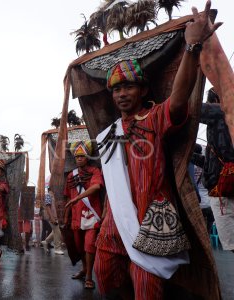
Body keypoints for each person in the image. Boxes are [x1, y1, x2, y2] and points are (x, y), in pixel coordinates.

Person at [93, 3, 221, 298]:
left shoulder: (154, 118)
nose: (122, 94)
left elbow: (179, 98)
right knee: (105, 277)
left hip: (151, 219)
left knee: (147, 288)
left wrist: (192, 47)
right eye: (116, 89)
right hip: (114, 221)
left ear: (144, 90)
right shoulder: (109, 133)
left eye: (129, 87)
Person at [64, 140, 103, 290]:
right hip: (75, 216)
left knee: (89, 246)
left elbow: (96, 186)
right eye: (77, 156)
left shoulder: (94, 171)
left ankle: (89, 277)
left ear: (88, 157)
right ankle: (85, 269)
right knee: (80, 247)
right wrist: (66, 216)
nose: (79, 158)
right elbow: (68, 197)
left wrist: (78, 198)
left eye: (82, 156)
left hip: (91, 215)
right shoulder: (70, 176)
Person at [200, 88, 234, 249]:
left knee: (232, 244)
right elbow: (212, 164)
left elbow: (188, 108)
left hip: (223, 192)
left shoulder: (221, 110)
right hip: (226, 188)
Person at [41, 178, 64, 255]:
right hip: (51, 217)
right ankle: (57, 248)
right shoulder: (48, 195)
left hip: (54, 216)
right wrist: (51, 218)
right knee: (58, 232)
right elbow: (48, 207)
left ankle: (46, 241)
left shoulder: (53, 195)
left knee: (55, 231)